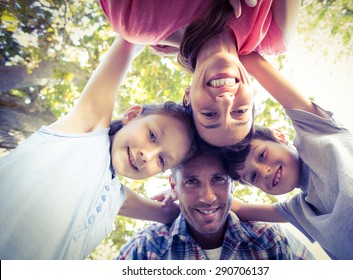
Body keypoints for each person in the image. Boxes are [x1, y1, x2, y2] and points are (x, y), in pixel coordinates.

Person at [0, 37, 197, 259]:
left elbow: (173, 214)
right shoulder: (87, 132)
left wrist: (181, 190)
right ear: (132, 116)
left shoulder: (116, 198)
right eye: (151, 135)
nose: (147, 155)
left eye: (162, 161)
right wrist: (184, 43)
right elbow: (129, 39)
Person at [224, 52, 353, 259]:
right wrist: (177, 189)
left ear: (280, 136)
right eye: (253, 177)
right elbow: (236, 207)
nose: (264, 171)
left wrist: (199, 54)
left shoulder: (317, 134)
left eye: (261, 155)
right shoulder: (300, 211)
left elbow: (254, 63)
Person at [99, 0, 301, 147]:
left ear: (188, 97)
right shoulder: (275, 33)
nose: (225, 101)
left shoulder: (135, 20)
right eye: (240, 111)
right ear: (252, 91)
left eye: (209, 114)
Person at [117, 151, 314, 260]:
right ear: (173, 186)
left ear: (232, 185)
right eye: (192, 182)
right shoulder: (146, 249)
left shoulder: (271, 242)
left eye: (219, 179)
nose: (208, 197)